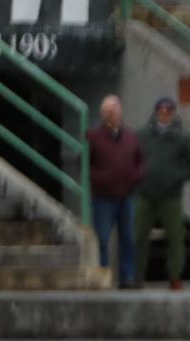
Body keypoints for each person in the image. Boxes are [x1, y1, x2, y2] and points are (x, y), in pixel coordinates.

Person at [135, 96, 190, 291]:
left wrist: (177, 177)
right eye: (161, 110)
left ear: (173, 112)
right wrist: (139, 177)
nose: (164, 113)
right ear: (155, 112)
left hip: (171, 196)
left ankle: (175, 276)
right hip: (145, 193)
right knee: (138, 236)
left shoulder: (183, 138)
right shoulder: (141, 135)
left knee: (175, 237)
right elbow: (132, 159)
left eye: (168, 110)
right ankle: (136, 276)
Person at [85, 95, 144, 289]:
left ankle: (127, 276)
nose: (110, 114)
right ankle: (104, 275)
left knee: (128, 238)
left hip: (127, 196)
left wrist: (136, 176)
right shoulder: (93, 136)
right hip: (103, 198)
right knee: (102, 238)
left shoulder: (131, 136)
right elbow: (83, 162)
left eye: (113, 110)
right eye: (106, 111)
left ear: (120, 111)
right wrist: (98, 178)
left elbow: (140, 160)